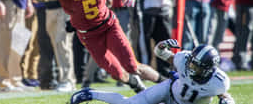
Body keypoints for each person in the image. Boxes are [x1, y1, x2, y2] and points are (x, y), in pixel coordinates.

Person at [27, 0, 164, 93]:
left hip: (108, 26)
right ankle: (135, 84)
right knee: (116, 74)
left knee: (131, 65)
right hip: (88, 35)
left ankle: (167, 81)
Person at [70, 39, 235, 104]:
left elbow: (225, 95)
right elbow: (160, 53)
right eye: (192, 63)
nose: (191, 67)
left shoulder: (219, 81)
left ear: (208, 69)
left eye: (197, 66)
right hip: (169, 89)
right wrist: (163, 46)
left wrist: (228, 102)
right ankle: (90, 94)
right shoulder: (184, 59)